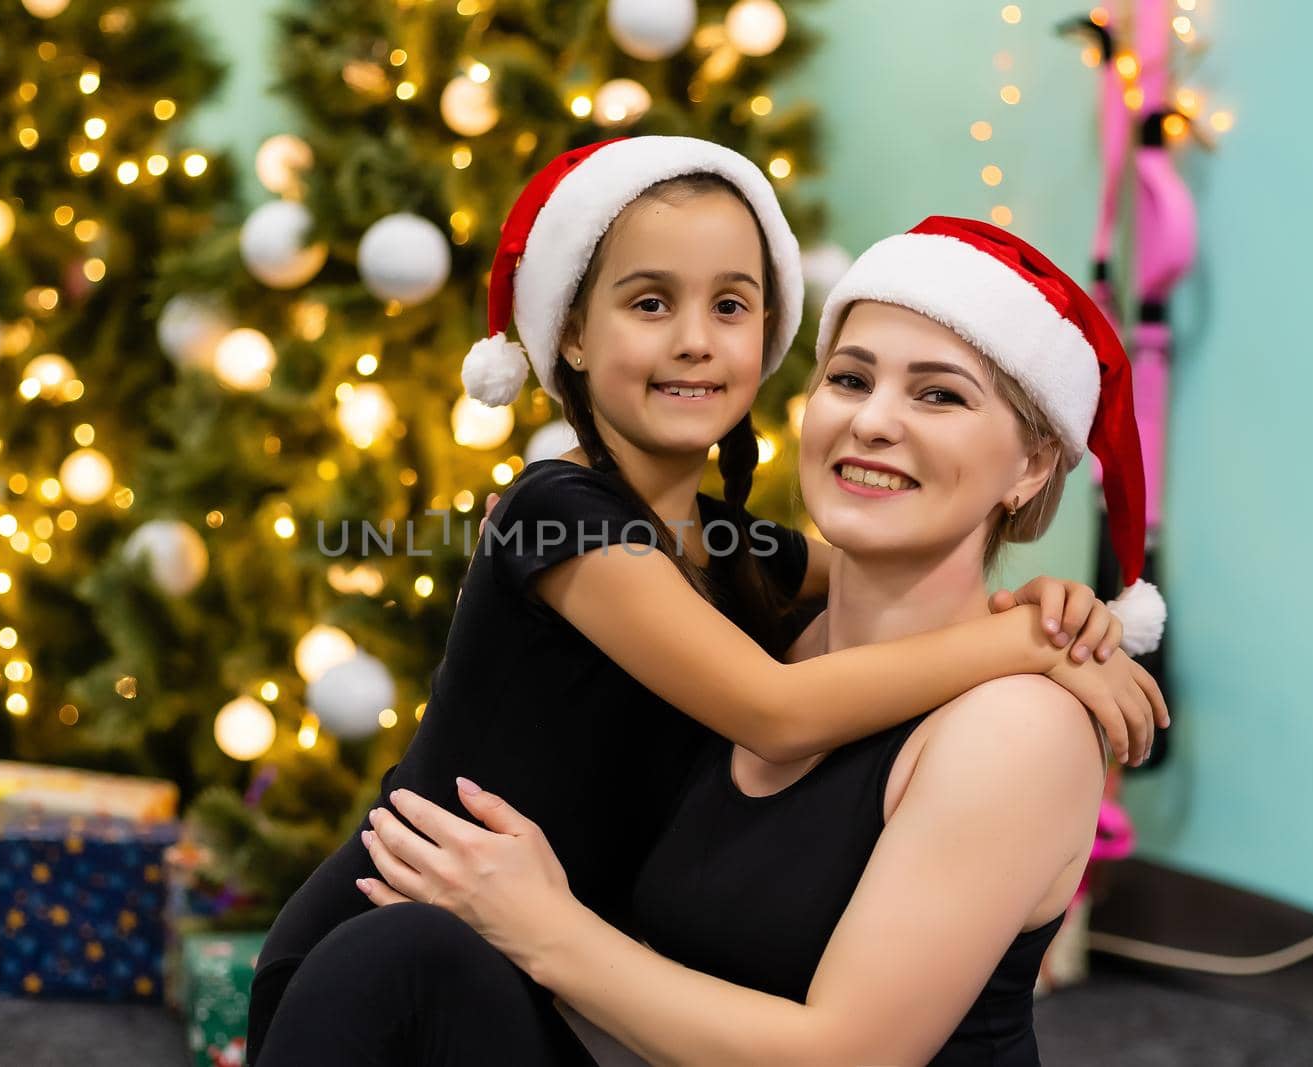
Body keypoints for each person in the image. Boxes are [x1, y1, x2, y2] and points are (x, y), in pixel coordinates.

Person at [247, 139, 1166, 1064]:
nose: (874, 420)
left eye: (938, 395)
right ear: (570, 331)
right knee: (400, 956)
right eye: (849, 378)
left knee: (412, 957)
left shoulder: (739, 565)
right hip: (405, 938)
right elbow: (782, 701)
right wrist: (1032, 639)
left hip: (501, 948)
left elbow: (809, 613)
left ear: (1036, 461)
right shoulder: (594, 529)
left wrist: (1043, 618)